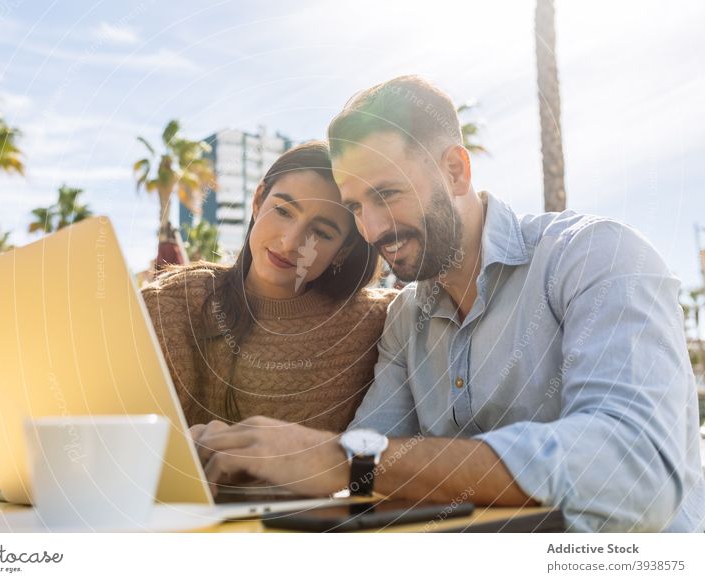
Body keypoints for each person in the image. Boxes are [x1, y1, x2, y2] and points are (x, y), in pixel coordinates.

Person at [191, 76, 705, 532]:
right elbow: (364, 466)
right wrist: (246, 468)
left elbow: (633, 473)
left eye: (387, 194)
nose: (371, 229)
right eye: (355, 207)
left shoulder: (595, 257)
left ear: (456, 170)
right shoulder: (405, 318)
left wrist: (341, 460)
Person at [142, 141, 396, 432]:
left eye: (322, 232)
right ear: (258, 199)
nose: (290, 242)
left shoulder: (379, 321)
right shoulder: (171, 305)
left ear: (344, 249)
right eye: (284, 211)